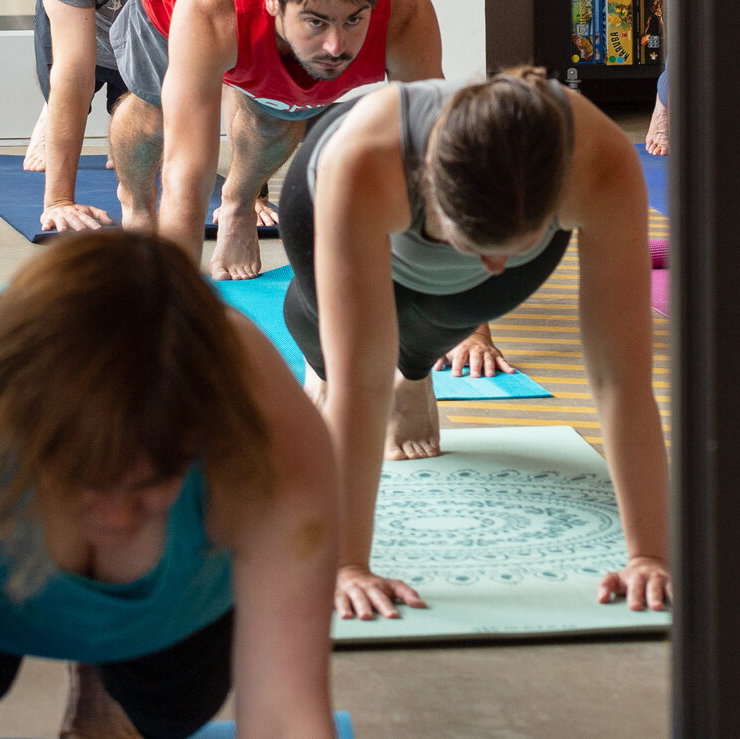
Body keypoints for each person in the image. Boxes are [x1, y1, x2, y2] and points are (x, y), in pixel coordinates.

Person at [0, 231, 338, 739]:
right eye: (84, 485)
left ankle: (105, 689)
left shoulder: (273, 439)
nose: (117, 517)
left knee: (171, 707)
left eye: (151, 486)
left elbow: (287, 718)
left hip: (176, 597)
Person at [277, 68, 672, 622]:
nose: (492, 266)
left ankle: (414, 369)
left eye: (511, 248)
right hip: (325, 193)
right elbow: (361, 387)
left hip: (478, 219)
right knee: (338, 346)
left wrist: (650, 555)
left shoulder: (599, 162)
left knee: (450, 311)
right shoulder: (366, 161)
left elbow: (620, 377)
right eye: (475, 245)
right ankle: (320, 347)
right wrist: (347, 565)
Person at [108, 0, 442, 260]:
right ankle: (136, 204)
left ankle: (239, 204)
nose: (335, 47)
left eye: (353, 20)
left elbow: (434, 157)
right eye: (316, 22)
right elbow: (187, 174)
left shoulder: (405, 14)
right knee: (155, 115)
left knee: (277, 115)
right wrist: (177, 303)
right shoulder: (209, 6)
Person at [22, 0, 237, 243]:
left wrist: (247, 198)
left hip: (164, 19)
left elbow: (238, 70)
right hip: (91, 17)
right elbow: (74, 71)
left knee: (145, 123)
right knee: (68, 81)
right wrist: (59, 200)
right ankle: (49, 114)